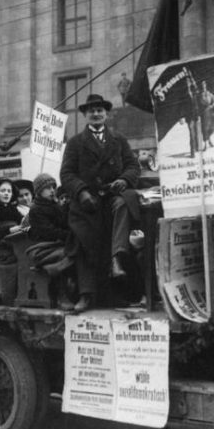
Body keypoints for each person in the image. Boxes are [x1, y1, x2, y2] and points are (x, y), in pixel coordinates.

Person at [60, 93, 141, 312]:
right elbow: (66, 174)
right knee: (85, 243)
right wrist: (82, 191)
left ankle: (114, 280)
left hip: (110, 199)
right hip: (86, 205)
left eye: (100, 110)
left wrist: (124, 180)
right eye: (92, 111)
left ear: (106, 114)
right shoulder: (76, 143)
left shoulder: (119, 140)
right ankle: (86, 296)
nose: (96, 114)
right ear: (86, 115)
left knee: (121, 214)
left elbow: (133, 166)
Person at [26, 173, 74, 278]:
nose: (52, 190)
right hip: (45, 246)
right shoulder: (36, 209)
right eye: (48, 188)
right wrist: (70, 235)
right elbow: (48, 231)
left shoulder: (55, 205)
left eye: (53, 187)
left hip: (58, 242)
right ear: (39, 191)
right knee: (70, 255)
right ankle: (55, 269)